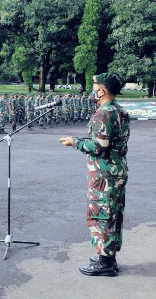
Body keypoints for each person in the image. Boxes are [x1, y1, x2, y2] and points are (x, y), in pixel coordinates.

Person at [59, 73, 130, 277]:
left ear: (103, 90)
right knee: (113, 213)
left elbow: (99, 146)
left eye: (96, 86)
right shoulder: (119, 110)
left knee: (101, 215)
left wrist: (75, 142)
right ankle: (108, 256)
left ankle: (105, 263)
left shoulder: (103, 113)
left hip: (104, 174)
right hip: (117, 169)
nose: (93, 90)